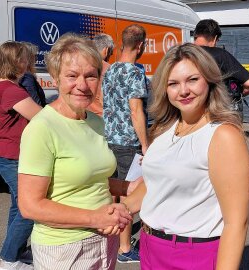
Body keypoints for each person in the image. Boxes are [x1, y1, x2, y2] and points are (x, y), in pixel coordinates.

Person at [122, 43, 249, 269]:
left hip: (193, 254)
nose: (183, 90)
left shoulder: (223, 135)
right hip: (150, 246)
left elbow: (236, 222)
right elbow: (156, 183)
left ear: (210, 80)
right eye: (173, 83)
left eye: (192, 79)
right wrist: (123, 208)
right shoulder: (164, 128)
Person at [17, 33, 135, 270]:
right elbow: (30, 205)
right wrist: (95, 217)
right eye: (72, 76)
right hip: (64, 249)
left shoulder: (96, 122)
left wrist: (126, 187)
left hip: (105, 240)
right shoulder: (42, 127)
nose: (82, 85)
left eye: (91, 76)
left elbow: (91, 177)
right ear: (55, 77)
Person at [102, 24, 148, 264]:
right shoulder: (135, 72)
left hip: (109, 139)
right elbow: (135, 109)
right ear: (140, 46)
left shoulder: (109, 71)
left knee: (113, 192)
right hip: (129, 142)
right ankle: (124, 249)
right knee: (129, 195)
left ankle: (110, 238)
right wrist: (146, 144)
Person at [0, 41, 42, 270]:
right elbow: (41, 117)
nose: (30, 62)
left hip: (7, 155)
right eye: (26, 58)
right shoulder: (11, 90)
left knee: (18, 205)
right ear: (17, 61)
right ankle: (8, 261)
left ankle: (12, 251)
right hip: (12, 155)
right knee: (29, 207)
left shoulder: (4, 87)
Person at [193, 19, 249, 117]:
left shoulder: (183, 53)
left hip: (192, 112)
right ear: (215, 38)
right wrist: (238, 94)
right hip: (215, 112)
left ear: (196, 34)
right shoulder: (220, 55)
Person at [87, 33, 114, 116]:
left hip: (83, 117)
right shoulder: (110, 69)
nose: (109, 57)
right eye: (111, 53)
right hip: (101, 120)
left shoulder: (82, 64)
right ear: (106, 50)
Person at [19, 42, 47, 107]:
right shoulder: (26, 76)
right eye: (34, 56)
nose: (36, 59)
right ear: (28, 58)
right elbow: (36, 102)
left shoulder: (21, 75)